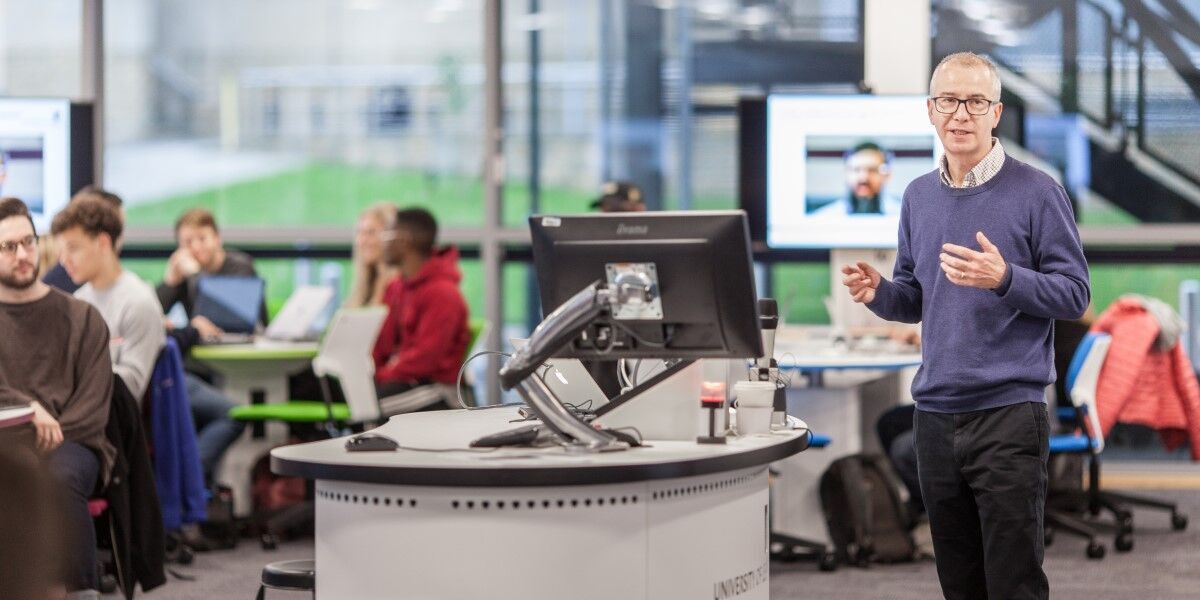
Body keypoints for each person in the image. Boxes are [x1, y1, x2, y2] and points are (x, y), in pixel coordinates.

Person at [840, 52, 1090, 600]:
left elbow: (1075, 296)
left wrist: (1006, 278)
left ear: (995, 112)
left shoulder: (1038, 192)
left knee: (1012, 583)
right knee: (958, 581)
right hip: (935, 414)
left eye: (976, 102)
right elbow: (915, 299)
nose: (961, 114)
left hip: (1008, 414)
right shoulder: (918, 197)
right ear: (932, 111)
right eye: (949, 101)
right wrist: (879, 293)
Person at [0, 197, 115, 597]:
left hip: (75, 441)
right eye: (8, 247)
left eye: (28, 242)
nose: (22, 255)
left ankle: (82, 592)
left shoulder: (82, 318)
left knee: (57, 475)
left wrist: (51, 433)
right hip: (8, 442)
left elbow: (94, 409)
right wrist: (28, 410)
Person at [52, 194, 165, 400]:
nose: (64, 261)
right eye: (61, 252)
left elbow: (131, 386)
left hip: (113, 424)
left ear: (103, 242)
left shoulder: (138, 302)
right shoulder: (78, 302)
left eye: (73, 248)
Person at [372, 207, 469, 412]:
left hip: (436, 390)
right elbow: (381, 343)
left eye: (387, 234)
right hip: (402, 381)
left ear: (404, 240)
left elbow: (425, 360)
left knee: (361, 404)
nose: (382, 242)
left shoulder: (442, 294)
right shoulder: (397, 287)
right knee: (322, 388)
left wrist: (380, 375)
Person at [156, 207, 266, 340]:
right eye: (188, 242)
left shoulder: (241, 267)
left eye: (202, 239)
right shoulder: (183, 273)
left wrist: (195, 273)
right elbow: (152, 313)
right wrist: (170, 282)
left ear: (217, 239)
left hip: (241, 349)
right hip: (199, 353)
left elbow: (227, 313)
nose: (196, 247)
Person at [812, 142, 902, 216]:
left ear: (887, 175)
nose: (863, 177)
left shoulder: (903, 217)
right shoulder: (823, 218)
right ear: (846, 173)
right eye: (856, 169)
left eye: (872, 170)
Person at [346, 202, 399, 308]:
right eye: (360, 232)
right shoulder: (365, 287)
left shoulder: (400, 287)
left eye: (371, 233)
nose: (362, 240)